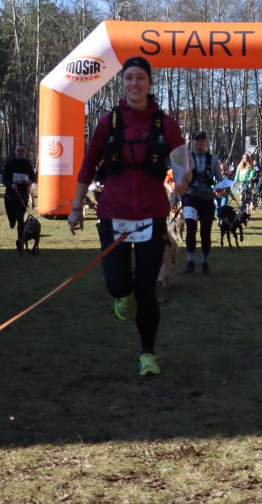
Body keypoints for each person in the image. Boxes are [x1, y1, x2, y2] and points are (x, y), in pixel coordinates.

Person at [68, 56, 188, 377]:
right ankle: (124, 295)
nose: (134, 83)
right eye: (128, 78)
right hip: (113, 213)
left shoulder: (165, 123)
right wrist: (77, 206)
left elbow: (181, 160)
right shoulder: (108, 122)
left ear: (149, 83)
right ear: (122, 83)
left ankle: (147, 354)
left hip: (151, 216)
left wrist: (183, 181)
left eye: (140, 78)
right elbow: (88, 165)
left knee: (147, 290)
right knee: (119, 284)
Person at [182, 131, 223, 274]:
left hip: (207, 198)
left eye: (202, 140)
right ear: (192, 142)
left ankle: (204, 262)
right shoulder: (187, 158)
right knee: (191, 228)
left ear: (206, 142)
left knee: (206, 232)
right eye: (196, 140)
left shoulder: (213, 159)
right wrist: (175, 199)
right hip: (190, 197)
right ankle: (190, 260)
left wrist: (221, 186)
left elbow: (220, 178)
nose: (199, 143)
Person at [2, 143, 37, 252]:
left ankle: (20, 241)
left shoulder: (27, 164)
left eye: (22, 151)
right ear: (15, 151)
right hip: (10, 195)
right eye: (18, 150)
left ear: (25, 152)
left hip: (22, 195)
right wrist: (10, 185)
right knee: (11, 216)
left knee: (20, 219)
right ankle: (11, 221)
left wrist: (30, 181)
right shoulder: (9, 164)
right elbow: (4, 179)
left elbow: (33, 177)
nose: (20, 152)